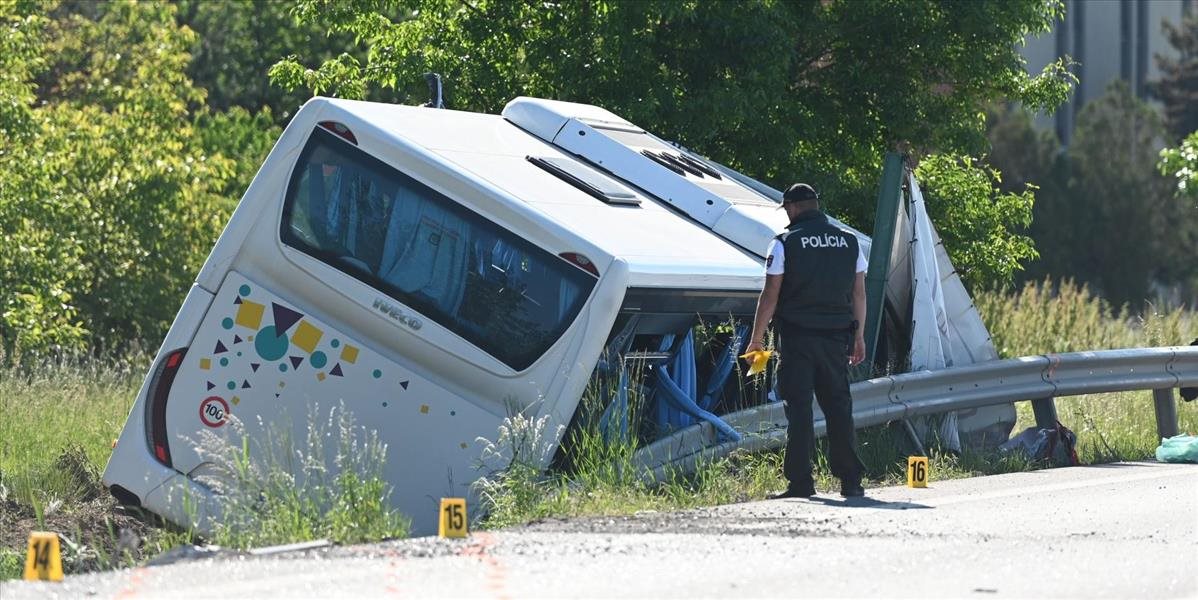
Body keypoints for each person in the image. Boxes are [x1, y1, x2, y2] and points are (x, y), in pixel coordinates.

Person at [744, 183, 868, 498]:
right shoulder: (849, 241)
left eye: (786, 208)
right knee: (839, 407)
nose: (786, 214)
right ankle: (850, 481)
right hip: (837, 338)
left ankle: (801, 482)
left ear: (794, 207)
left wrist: (756, 339)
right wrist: (860, 336)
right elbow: (858, 293)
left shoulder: (785, 243)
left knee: (799, 409)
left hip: (797, 338)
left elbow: (771, 294)